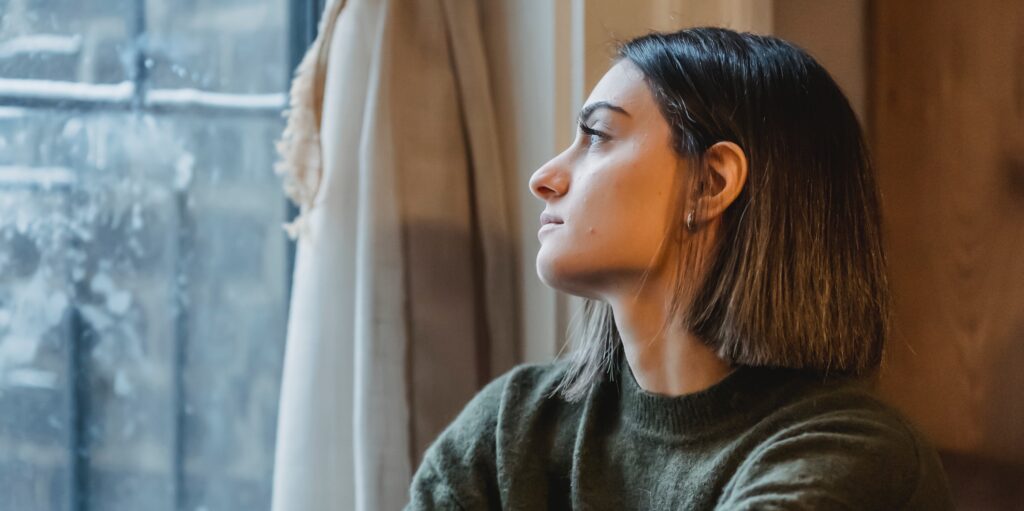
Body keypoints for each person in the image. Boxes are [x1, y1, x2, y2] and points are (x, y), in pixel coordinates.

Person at [405, 26, 955, 510]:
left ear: (711, 183)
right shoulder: (514, 427)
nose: (544, 177)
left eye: (596, 136)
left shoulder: (852, 454)